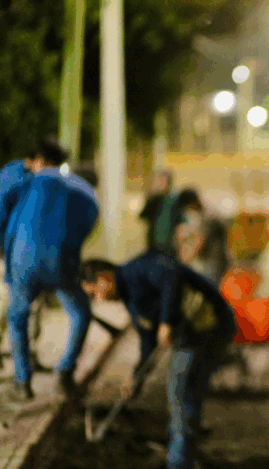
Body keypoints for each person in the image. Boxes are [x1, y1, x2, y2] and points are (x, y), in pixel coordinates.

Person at [80, 250, 236, 469]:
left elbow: (171, 275)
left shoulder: (139, 268)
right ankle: (183, 454)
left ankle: (179, 461)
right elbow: (148, 342)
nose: (98, 299)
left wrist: (165, 321)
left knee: (180, 390)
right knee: (182, 394)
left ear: (103, 277)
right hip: (191, 334)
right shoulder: (131, 301)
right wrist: (137, 377)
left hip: (209, 324)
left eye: (94, 293)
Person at [0, 155, 98, 403]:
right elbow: (85, 228)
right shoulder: (88, 196)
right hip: (59, 259)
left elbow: (5, 200)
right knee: (80, 311)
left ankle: (22, 381)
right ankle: (65, 370)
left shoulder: (38, 178)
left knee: (17, 316)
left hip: (22, 256)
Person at [0, 138, 69, 370]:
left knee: (31, 306)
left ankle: (29, 355)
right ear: (39, 160)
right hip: (6, 252)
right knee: (5, 303)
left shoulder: (41, 179)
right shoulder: (13, 177)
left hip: (29, 253)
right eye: (52, 164)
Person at [139, 169, 174, 250]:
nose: (159, 184)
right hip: (154, 241)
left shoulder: (173, 200)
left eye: (162, 181)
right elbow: (143, 215)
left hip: (168, 241)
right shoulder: (155, 199)